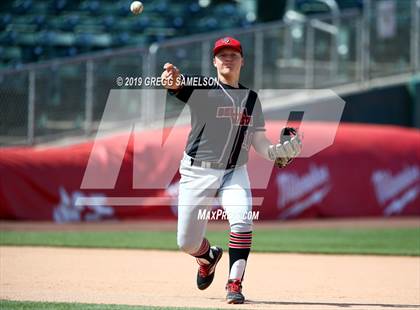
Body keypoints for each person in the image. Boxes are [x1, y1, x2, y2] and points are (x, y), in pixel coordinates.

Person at [161, 36, 301, 304]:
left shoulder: (251, 98)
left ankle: (234, 283)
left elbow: (258, 139)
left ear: (242, 61)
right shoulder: (204, 87)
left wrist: (273, 151)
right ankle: (208, 256)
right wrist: (173, 79)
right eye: (222, 54)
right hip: (197, 172)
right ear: (214, 61)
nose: (227, 58)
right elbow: (179, 84)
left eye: (233, 54)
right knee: (187, 243)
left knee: (242, 220)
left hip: (234, 171)